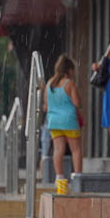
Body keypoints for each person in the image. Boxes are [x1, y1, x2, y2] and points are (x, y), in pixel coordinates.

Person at [42, 55, 83, 195]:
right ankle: (77, 179)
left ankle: (60, 182)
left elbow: (45, 106)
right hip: (69, 121)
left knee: (58, 150)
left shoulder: (49, 84)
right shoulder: (69, 83)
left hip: (53, 121)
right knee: (75, 150)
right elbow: (77, 103)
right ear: (69, 69)